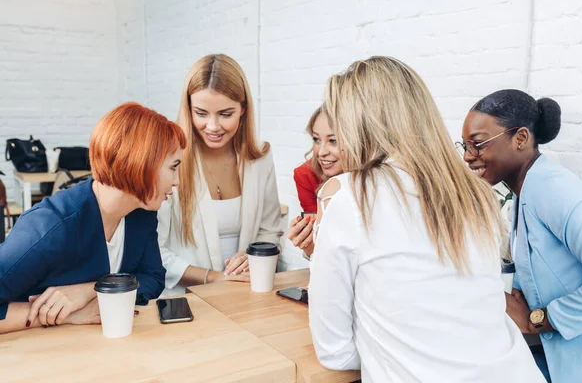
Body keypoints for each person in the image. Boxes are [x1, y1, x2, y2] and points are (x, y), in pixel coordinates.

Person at [308, 57, 544, 382]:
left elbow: (333, 350)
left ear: (358, 125)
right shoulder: (475, 192)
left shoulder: (353, 197)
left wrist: (388, 353)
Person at [0, 102, 185, 334]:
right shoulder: (50, 226)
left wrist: (91, 290)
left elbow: (153, 278)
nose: (177, 181)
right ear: (142, 164)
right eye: (173, 167)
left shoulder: (141, 213)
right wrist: (69, 315)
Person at [459, 89, 582, 383]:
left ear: (520, 138)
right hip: (556, 358)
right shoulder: (527, 189)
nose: (468, 157)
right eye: (465, 146)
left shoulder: (554, 189)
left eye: (478, 144)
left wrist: (541, 319)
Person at [158, 54, 283, 296]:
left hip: (247, 296)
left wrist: (252, 256)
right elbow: (154, 250)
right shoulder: (170, 160)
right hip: (185, 302)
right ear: (188, 109)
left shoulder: (260, 158)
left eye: (226, 114)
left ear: (243, 109)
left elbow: (270, 232)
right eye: (201, 113)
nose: (213, 127)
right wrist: (214, 278)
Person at [288, 106, 343, 258]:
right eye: (317, 140)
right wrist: (306, 243)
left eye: (333, 141)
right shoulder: (305, 175)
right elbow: (317, 250)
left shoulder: (373, 177)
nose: (321, 152)